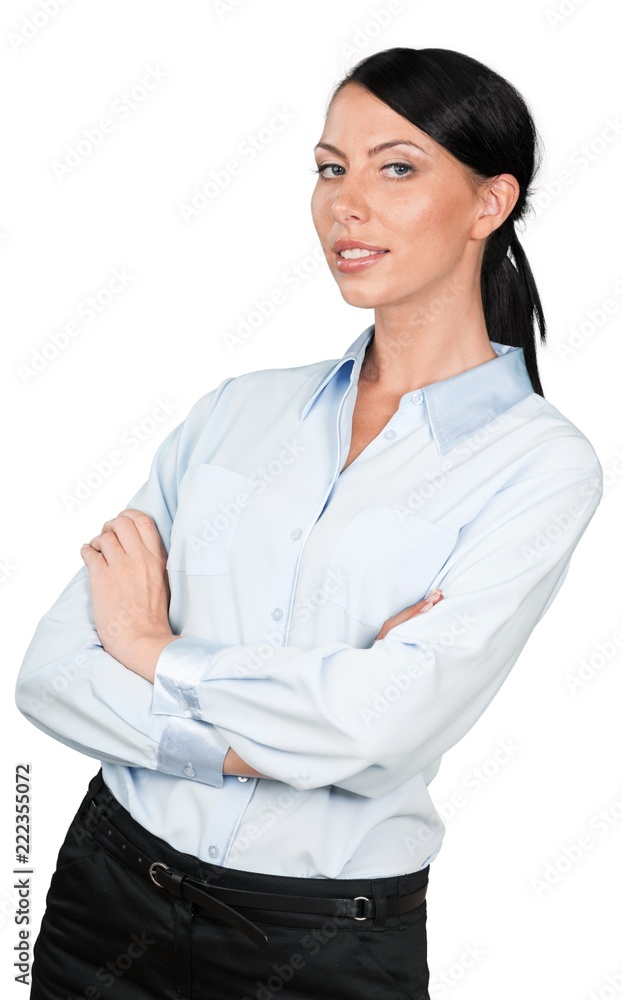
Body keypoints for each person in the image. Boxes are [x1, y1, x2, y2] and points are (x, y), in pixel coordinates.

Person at [16, 46, 603, 1000]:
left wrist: (154, 649)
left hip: (320, 944)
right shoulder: (235, 412)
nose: (346, 204)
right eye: (332, 168)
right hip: (109, 889)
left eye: (397, 168)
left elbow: (380, 732)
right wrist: (284, 730)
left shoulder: (540, 467)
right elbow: (51, 674)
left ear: (490, 204)